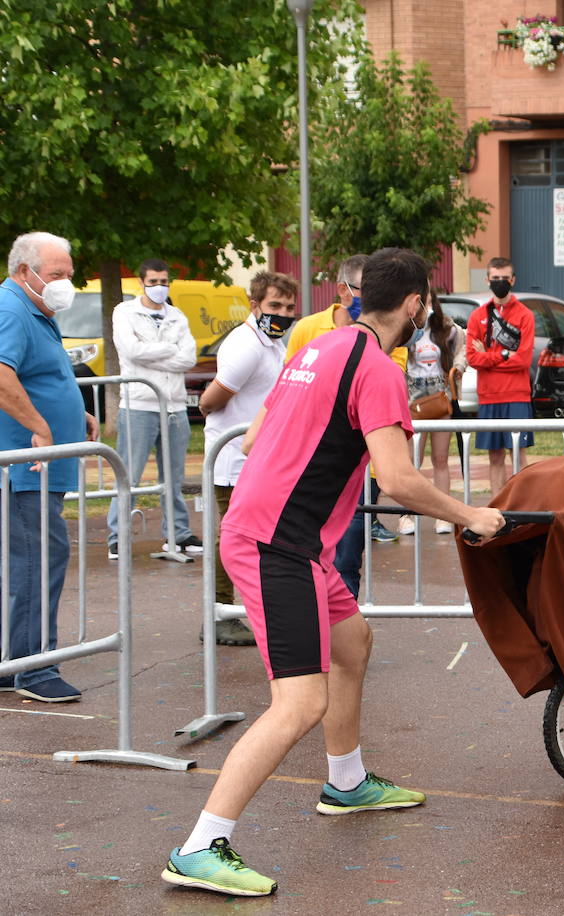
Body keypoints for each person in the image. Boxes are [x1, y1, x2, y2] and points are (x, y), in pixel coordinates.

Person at [160, 247, 503, 898]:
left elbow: (262, 437)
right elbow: (399, 478)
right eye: (425, 303)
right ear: (413, 305)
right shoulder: (376, 368)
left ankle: (345, 783)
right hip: (275, 544)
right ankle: (199, 845)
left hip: (291, 538)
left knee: (354, 642)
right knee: (299, 703)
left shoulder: (319, 347)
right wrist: (468, 516)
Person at [0, 232, 98, 703]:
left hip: (36, 469)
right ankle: (35, 669)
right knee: (39, 562)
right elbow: (1, 374)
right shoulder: (11, 307)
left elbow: (38, 373)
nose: (66, 283)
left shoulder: (36, 309)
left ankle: (14, 660)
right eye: (57, 275)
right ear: (26, 272)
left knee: (27, 564)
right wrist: (41, 426)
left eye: (68, 274)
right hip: (25, 469)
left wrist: (73, 412)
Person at [285, 255, 407, 596]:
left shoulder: (390, 339)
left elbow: (388, 379)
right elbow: (287, 390)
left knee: (346, 564)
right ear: (343, 290)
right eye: (365, 291)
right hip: (311, 470)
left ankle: (341, 627)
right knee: (305, 564)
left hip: (360, 472)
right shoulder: (309, 330)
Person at [199, 270, 299, 646]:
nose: (283, 313)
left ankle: (245, 610)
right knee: (231, 541)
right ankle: (218, 614)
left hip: (258, 459)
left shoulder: (272, 342)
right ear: (255, 305)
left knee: (252, 539)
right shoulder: (246, 345)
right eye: (275, 306)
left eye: (289, 307)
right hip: (232, 460)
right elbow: (211, 400)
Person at [104, 258, 200, 559]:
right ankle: (117, 537)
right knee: (128, 474)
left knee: (173, 476)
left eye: (164, 281)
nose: (159, 287)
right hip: (139, 404)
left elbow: (188, 358)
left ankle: (177, 534)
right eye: (154, 281)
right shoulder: (125, 313)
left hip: (174, 404)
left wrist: (154, 356)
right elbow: (131, 352)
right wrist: (169, 350)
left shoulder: (177, 316)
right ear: (141, 282)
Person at [465, 257, 534, 497]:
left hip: (517, 396)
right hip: (489, 397)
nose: (500, 283)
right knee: (494, 456)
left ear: (513, 280)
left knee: (518, 452)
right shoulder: (477, 316)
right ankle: (497, 508)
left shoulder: (525, 315)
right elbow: (473, 359)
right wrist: (505, 355)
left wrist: (491, 357)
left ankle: (522, 506)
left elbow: (524, 359)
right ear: (487, 280)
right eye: (495, 278)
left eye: (504, 278)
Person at [398, 291, 462, 536]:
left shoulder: (444, 329)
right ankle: (406, 515)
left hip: (439, 400)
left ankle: (443, 517)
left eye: (427, 301)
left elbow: (461, 346)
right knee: (412, 461)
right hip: (414, 402)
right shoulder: (406, 331)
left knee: (441, 459)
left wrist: (458, 369)